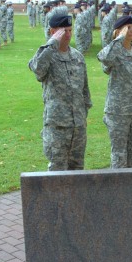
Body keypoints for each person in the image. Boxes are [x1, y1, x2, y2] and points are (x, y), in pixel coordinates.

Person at [29, 14, 92, 171]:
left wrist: (82, 116)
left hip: (78, 125)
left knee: (78, 169)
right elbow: (37, 69)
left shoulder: (77, 57)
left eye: (70, 30)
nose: (69, 35)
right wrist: (52, 43)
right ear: (53, 32)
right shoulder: (46, 56)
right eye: (64, 31)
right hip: (57, 126)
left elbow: (85, 90)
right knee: (57, 171)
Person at [97, 15, 132, 169]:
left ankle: (131, 188)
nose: (131, 30)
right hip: (119, 111)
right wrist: (119, 39)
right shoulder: (114, 51)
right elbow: (103, 57)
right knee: (119, 153)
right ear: (118, 31)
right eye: (127, 28)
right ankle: (118, 188)